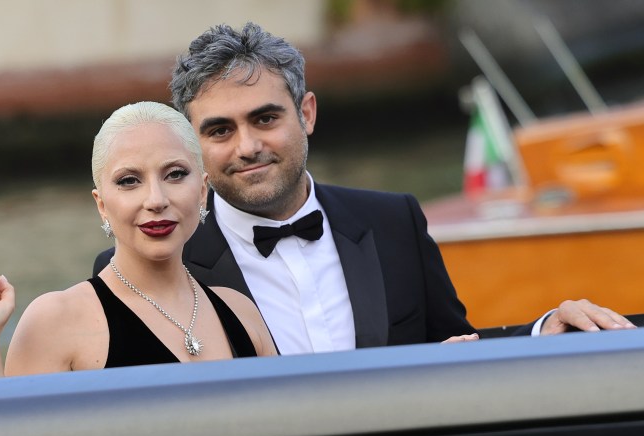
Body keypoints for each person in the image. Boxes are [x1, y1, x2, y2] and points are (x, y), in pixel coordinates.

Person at [94, 23, 635, 353]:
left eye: (264, 119)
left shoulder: (394, 220)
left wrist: (545, 331)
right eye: (219, 130)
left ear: (306, 113)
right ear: (194, 144)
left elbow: (453, 349)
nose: (247, 146)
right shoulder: (145, 263)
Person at [0, 101, 278, 380]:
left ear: (203, 191)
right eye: (129, 181)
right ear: (102, 205)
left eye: (175, 174)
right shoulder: (55, 320)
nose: (156, 199)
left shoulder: (242, 312)